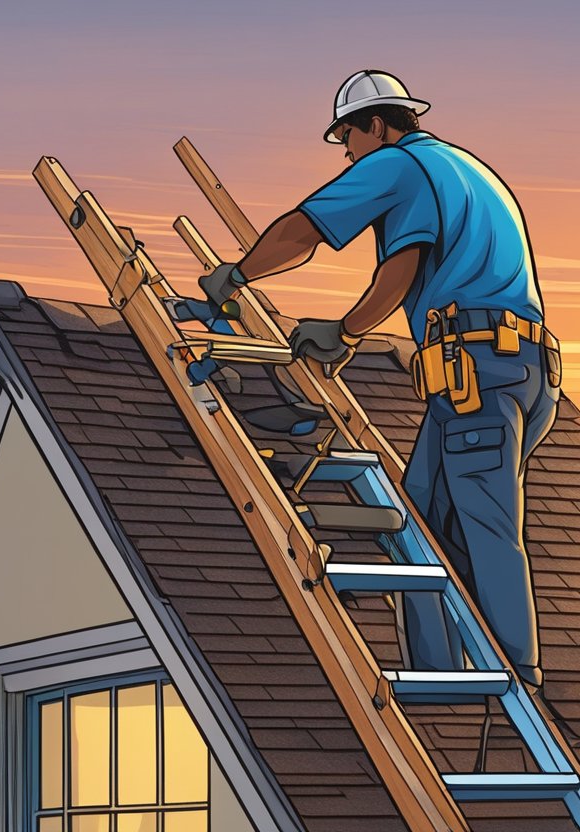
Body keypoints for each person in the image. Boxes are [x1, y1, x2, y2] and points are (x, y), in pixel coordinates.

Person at [199, 69, 559, 690]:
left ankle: (517, 677)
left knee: (485, 519)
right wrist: (351, 328)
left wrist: (237, 275)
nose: (347, 153)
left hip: (476, 371)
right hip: (519, 372)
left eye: (348, 138)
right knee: (423, 521)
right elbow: (408, 270)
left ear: (377, 125)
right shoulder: (465, 169)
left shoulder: (399, 164)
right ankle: (439, 674)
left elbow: (309, 232)